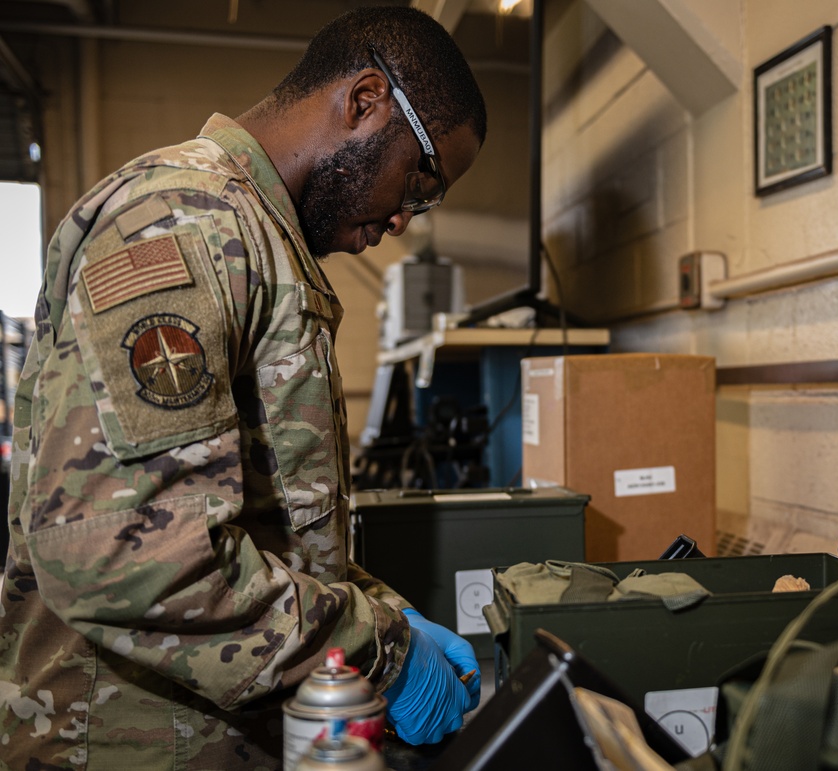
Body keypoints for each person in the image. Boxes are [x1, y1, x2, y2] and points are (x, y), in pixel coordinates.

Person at [0, 6, 487, 769]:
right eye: (421, 182)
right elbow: (127, 558)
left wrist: (384, 610)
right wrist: (380, 647)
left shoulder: (263, 243)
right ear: (365, 100)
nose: (405, 217)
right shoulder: (180, 225)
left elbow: (265, 527)